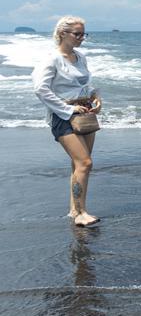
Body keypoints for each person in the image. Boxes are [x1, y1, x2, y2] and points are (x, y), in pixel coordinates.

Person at [32, 16, 102, 227]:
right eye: (77, 34)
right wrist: (68, 108)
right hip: (63, 117)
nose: (82, 38)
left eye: (84, 34)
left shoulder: (80, 57)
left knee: (78, 164)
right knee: (85, 163)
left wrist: (96, 98)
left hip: (85, 114)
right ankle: (81, 214)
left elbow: (85, 84)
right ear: (63, 34)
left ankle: (75, 209)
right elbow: (40, 89)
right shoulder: (52, 59)